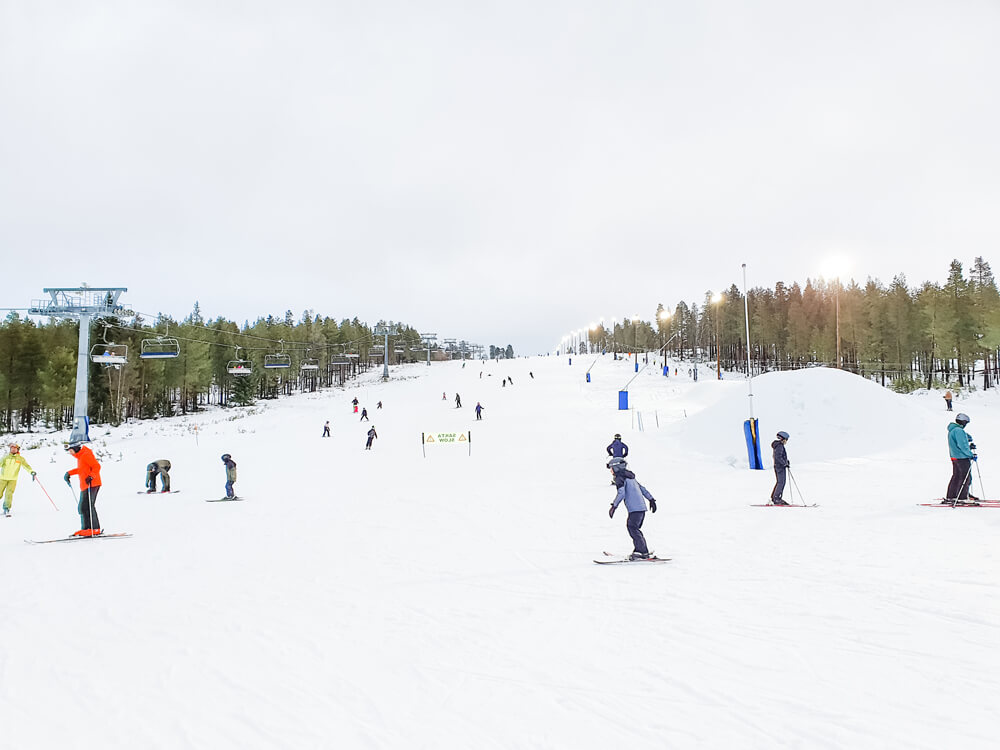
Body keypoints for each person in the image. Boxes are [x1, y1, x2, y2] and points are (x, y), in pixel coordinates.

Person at [608, 462, 657, 560]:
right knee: (635, 529)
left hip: (635, 509)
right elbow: (642, 489)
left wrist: (614, 506)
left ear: (616, 468)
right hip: (641, 508)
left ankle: (642, 551)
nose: (611, 471)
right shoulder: (631, 477)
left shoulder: (620, 479)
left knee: (632, 528)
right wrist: (651, 500)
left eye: (612, 468)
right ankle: (640, 549)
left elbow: (621, 493)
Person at [65, 442, 102, 536]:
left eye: (71, 450)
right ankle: (86, 529)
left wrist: (91, 476)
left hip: (92, 484)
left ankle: (95, 529)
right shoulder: (80, 457)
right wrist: (69, 473)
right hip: (85, 485)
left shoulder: (86, 455)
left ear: (76, 448)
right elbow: (82, 470)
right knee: (82, 508)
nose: (70, 453)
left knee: (89, 505)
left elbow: (96, 466)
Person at [944, 413, 977, 504]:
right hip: (962, 457)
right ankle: (962, 497)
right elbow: (962, 446)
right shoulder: (959, 431)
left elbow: (960, 443)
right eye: (966, 422)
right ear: (963, 422)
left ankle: (952, 496)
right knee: (966, 477)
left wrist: (968, 444)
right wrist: (970, 454)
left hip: (955, 456)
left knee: (957, 476)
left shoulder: (953, 430)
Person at [0, 442, 36, 516]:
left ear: (17, 449)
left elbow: (26, 466)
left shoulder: (20, 459)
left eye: (15, 448)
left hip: (13, 479)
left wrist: (31, 472)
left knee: (9, 494)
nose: (13, 449)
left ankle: (6, 508)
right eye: (12, 448)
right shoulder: (5, 457)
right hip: (2, 478)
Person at [770, 431, 790, 505]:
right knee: (781, 482)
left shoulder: (778, 445)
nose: (786, 441)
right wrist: (784, 463)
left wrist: (786, 461)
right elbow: (778, 457)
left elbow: (780, 456)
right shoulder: (780, 446)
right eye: (786, 440)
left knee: (780, 482)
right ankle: (776, 498)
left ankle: (775, 497)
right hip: (780, 467)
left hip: (779, 466)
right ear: (783, 439)